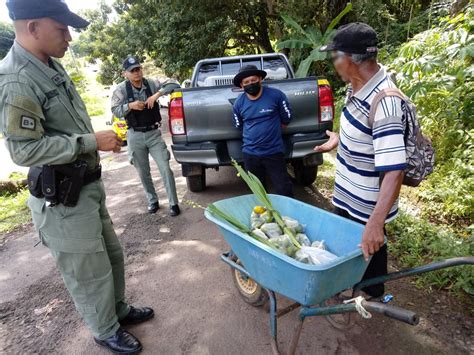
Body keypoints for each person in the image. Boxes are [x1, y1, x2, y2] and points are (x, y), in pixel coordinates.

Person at [0, 1, 153, 353]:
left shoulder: (48, 65)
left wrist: (94, 142)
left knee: (111, 255)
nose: (69, 37)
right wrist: (89, 142)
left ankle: (117, 311)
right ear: (33, 27)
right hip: (63, 199)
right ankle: (105, 330)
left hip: (86, 187)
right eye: (61, 28)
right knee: (89, 271)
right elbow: (23, 151)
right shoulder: (17, 78)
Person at [316, 23, 406, 298]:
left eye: (335, 57)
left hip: (366, 205)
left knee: (370, 249)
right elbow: (365, 135)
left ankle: (372, 297)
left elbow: (394, 170)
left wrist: (376, 223)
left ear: (349, 60)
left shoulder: (386, 103)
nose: (334, 64)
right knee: (349, 249)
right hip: (347, 194)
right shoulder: (355, 87)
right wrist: (338, 140)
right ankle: (353, 287)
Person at [111, 57, 180, 216]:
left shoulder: (151, 82)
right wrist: (130, 106)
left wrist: (157, 95)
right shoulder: (121, 90)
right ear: (125, 74)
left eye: (138, 69)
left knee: (165, 168)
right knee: (143, 172)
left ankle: (173, 203)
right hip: (134, 135)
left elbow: (174, 83)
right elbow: (115, 110)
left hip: (154, 134)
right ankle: (152, 201)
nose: (136, 73)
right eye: (132, 70)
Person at [232, 65, 293, 197]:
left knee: (283, 188)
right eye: (246, 82)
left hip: (274, 152)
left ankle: (289, 214)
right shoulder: (238, 103)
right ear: (241, 86)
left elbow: (286, 118)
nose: (250, 84)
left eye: (253, 80)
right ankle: (264, 216)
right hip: (250, 154)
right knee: (258, 192)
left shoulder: (276, 96)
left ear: (260, 79)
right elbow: (239, 125)